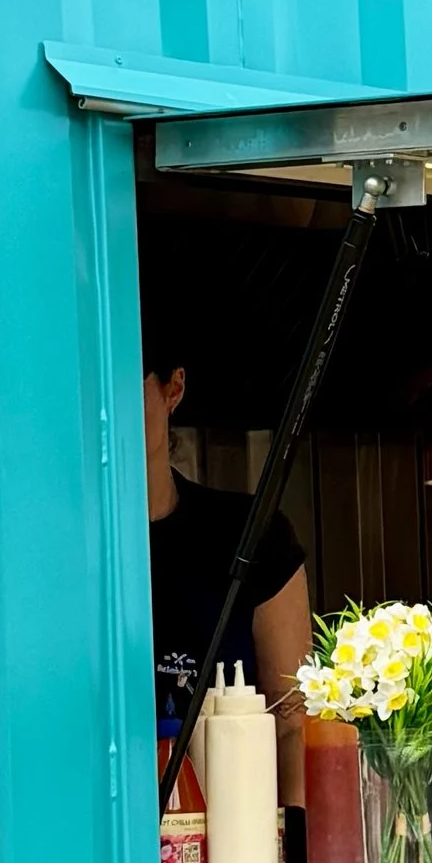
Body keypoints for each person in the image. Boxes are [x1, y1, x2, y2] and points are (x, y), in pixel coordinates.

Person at [145, 339, 309, 802]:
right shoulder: (54, 555)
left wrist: (293, 856)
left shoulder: (254, 534)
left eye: (126, 388)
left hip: (234, 832)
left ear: (172, 389)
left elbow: (292, 722)